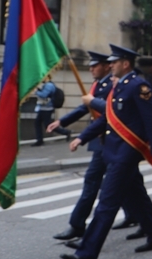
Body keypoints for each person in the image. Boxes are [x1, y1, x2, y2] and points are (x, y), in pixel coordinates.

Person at [61, 45, 152, 259]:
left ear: (126, 63)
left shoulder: (138, 86)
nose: (110, 65)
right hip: (114, 150)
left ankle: (87, 253)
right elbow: (107, 118)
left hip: (126, 153)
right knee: (136, 195)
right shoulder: (118, 87)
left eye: (114, 62)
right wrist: (82, 137)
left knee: (107, 202)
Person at [50, 52, 122, 241]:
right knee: (126, 184)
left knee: (98, 182)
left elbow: (106, 110)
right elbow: (86, 107)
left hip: (111, 140)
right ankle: (78, 224)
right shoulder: (98, 84)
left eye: (95, 65)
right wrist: (62, 122)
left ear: (106, 66)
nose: (90, 69)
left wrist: (82, 136)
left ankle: (78, 225)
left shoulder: (112, 84)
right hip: (100, 140)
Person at [34, 77, 70, 146]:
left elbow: (44, 95)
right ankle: (39, 140)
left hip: (47, 108)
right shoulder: (46, 85)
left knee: (48, 125)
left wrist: (36, 91)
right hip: (43, 108)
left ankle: (66, 132)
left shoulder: (49, 85)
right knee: (37, 123)